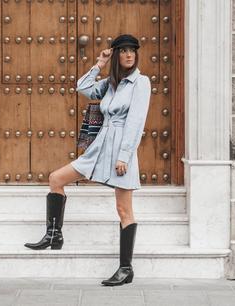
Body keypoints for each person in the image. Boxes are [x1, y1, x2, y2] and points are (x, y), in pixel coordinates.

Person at [24, 34, 152, 286]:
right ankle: (53, 236)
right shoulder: (111, 83)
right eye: (123, 51)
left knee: (124, 210)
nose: (129, 55)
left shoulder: (141, 83)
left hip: (119, 151)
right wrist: (99, 64)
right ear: (116, 54)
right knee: (56, 179)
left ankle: (126, 269)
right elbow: (82, 88)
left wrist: (124, 156)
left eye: (132, 51)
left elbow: (136, 122)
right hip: (99, 147)